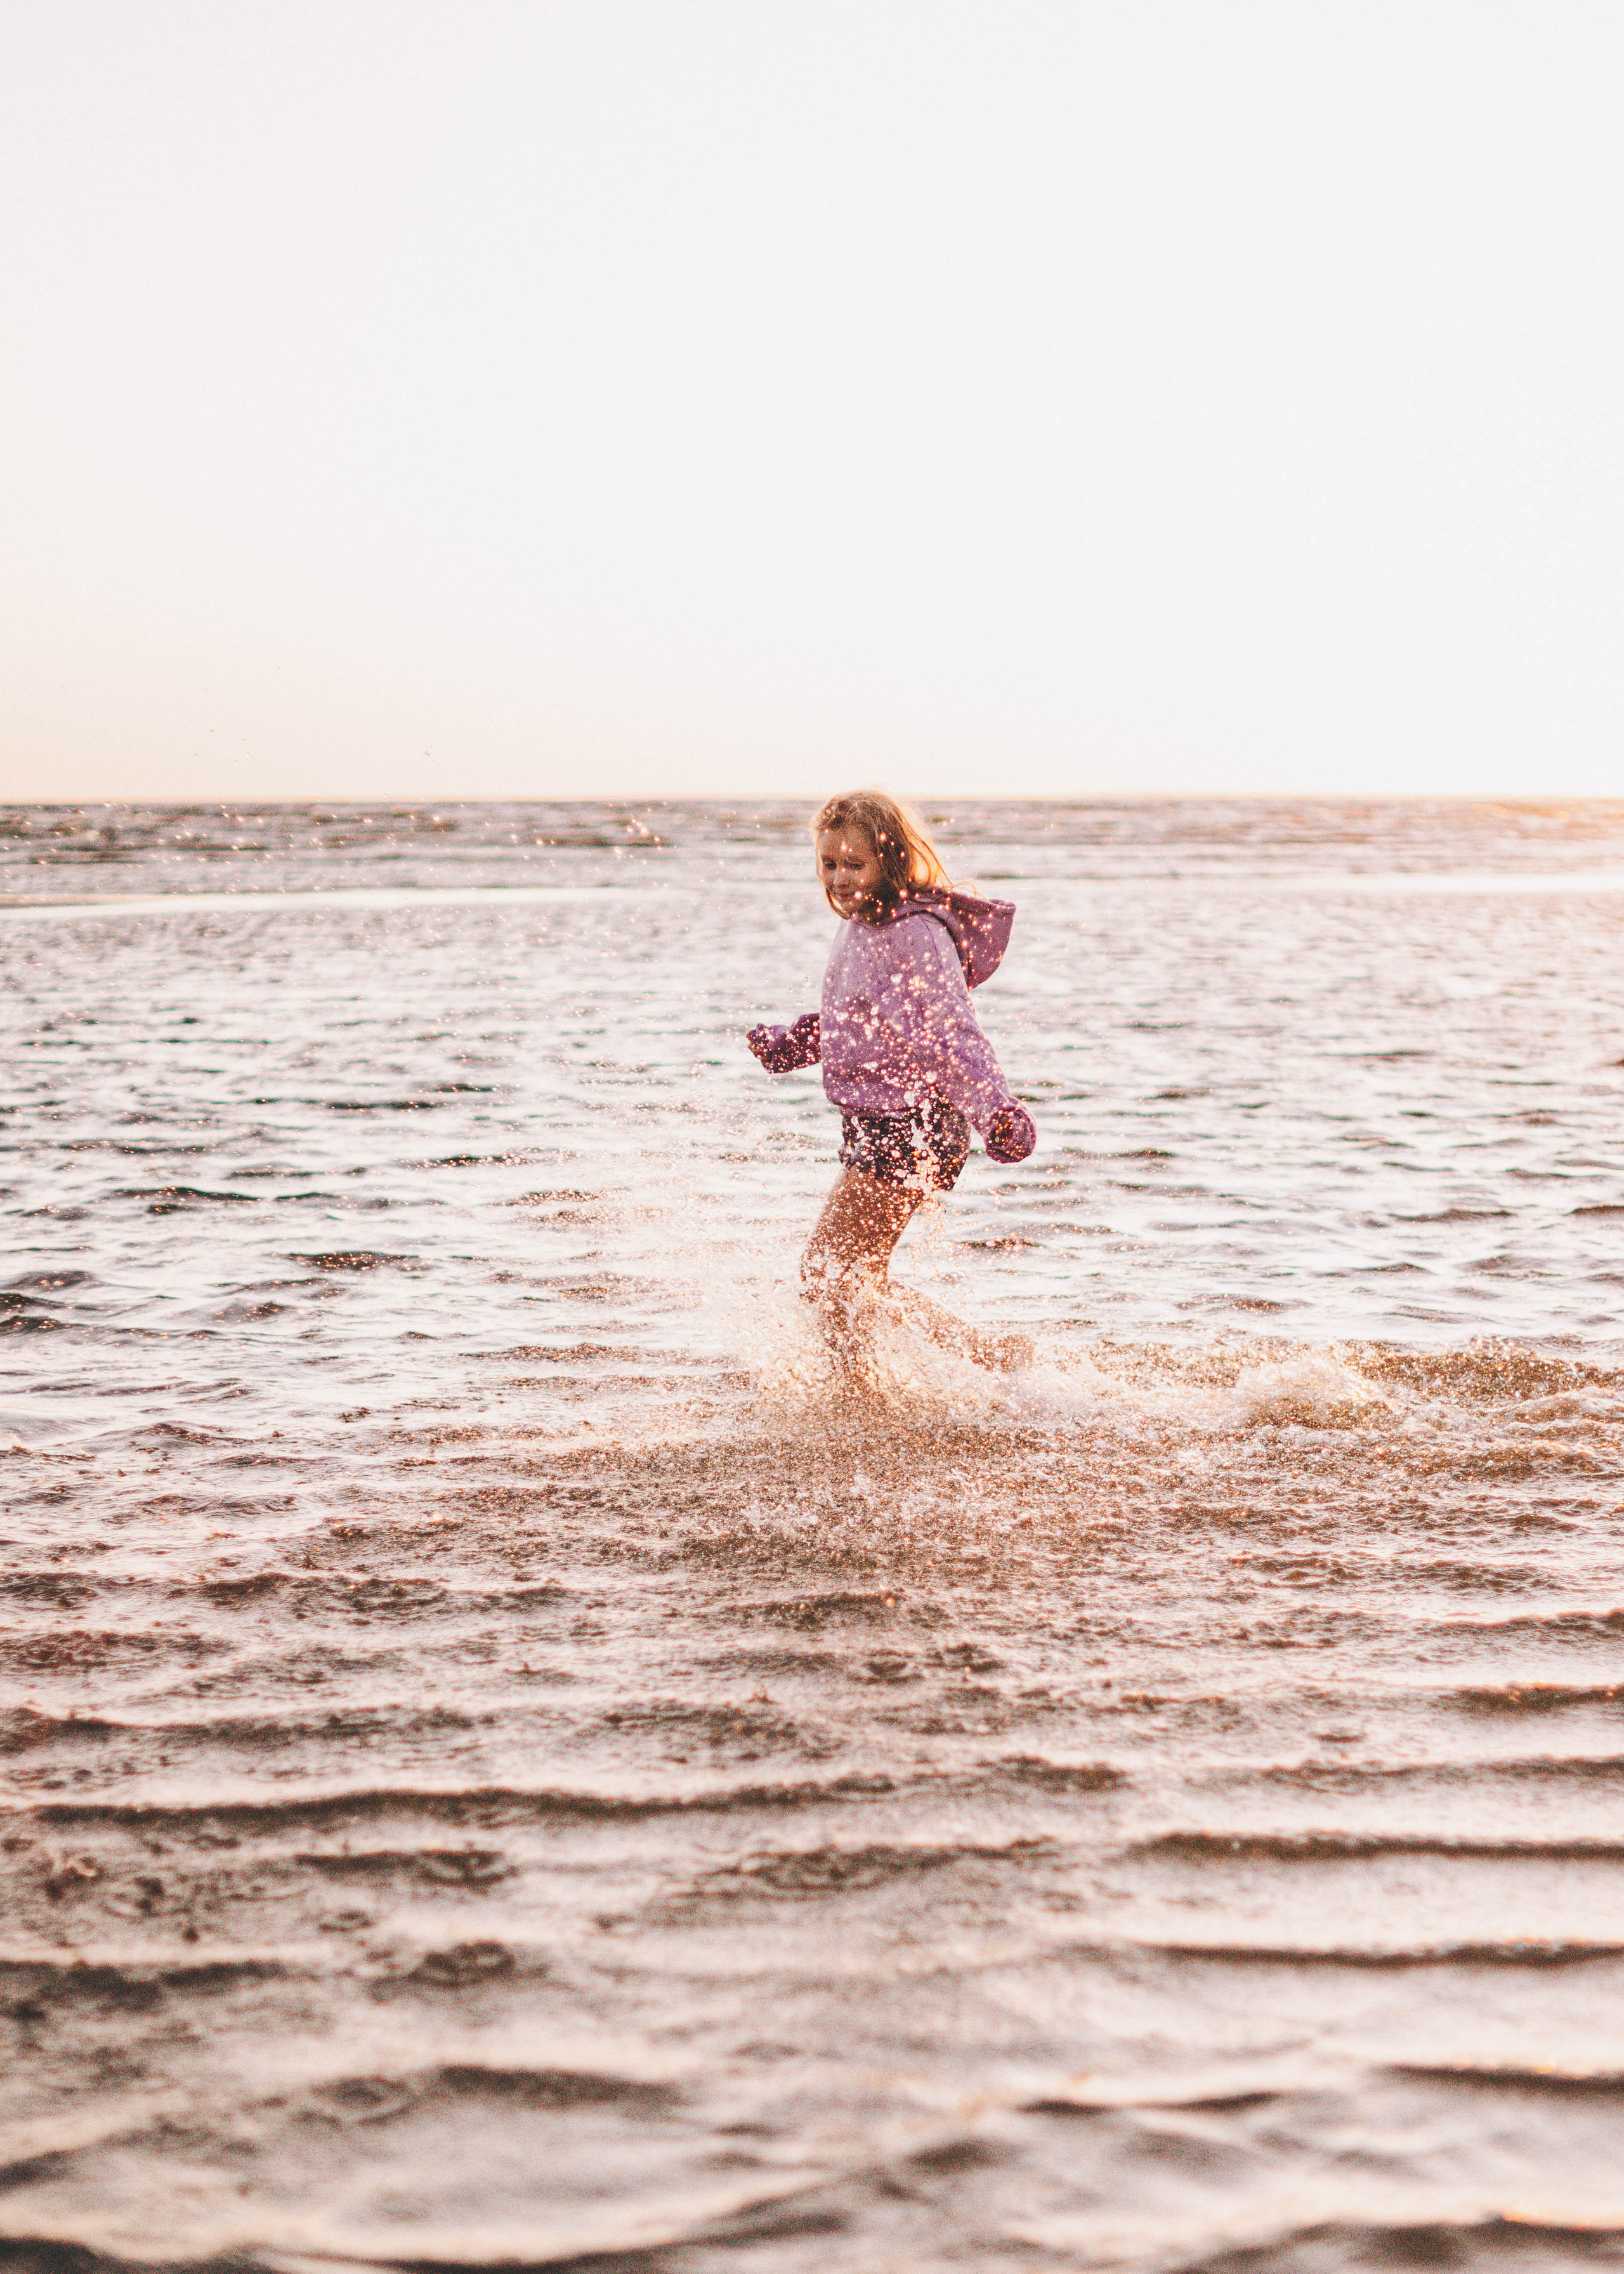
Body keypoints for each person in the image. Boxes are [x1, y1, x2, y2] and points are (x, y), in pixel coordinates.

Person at [747, 789, 1037, 1377]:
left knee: (830, 1275)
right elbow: (863, 1020)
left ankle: (865, 1398)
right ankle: (990, 1358)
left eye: (855, 863)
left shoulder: (915, 932)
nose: (841, 877)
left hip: (916, 1121)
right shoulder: (865, 926)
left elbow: (952, 1032)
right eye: (829, 863)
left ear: (892, 859)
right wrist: (798, 1044)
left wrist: (996, 1110)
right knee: (848, 1279)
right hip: (880, 1121)